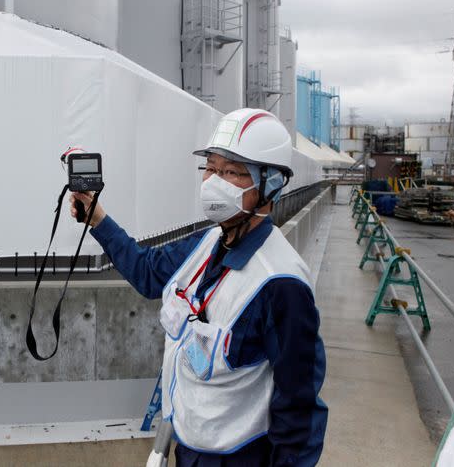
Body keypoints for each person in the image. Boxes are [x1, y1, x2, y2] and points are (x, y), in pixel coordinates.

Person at [70, 108, 327, 466]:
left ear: (270, 183)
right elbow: (146, 272)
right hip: (187, 449)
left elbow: (299, 408)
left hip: (240, 458)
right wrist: (96, 216)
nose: (214, 182)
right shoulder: (205, 244)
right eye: (211, 168)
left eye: (232, 172)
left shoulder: (280, 283)